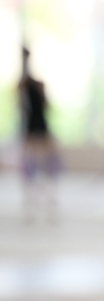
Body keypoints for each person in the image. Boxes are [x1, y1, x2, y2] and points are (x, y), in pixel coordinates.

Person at [18, 46, 61, 222]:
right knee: (37, 163)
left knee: (40, 162)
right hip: (35, 126)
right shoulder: (26, 85)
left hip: (36, 126)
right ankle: (39, 198)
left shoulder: (27, 85)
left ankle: (43, 197)